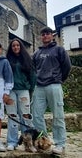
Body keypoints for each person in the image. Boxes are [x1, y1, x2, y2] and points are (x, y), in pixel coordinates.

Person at [32, 27, 71, 155]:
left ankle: (60, 144)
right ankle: (45, 141)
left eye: (47, 34)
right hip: (39, 87)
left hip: (54, 85)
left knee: (58, 115)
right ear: (41, 37)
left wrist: (59, 79)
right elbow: (33, 69)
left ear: (52, 35)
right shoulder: (36, 53)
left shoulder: (59, 50)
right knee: (36, 115)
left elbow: (67, 66)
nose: (45, 36)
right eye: (43, 34)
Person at [5, 38, 36, 151]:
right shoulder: (7, 60)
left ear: (21, 46)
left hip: (24, 91)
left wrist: (31, 89)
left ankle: (27, 143)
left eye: (18, 45)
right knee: (12, 116)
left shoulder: (27, 59)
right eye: (13, 46)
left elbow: (32, 75)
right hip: (11, 91)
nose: (16, 47)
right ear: (11, 48)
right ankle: (12, 142)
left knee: (25, 116)